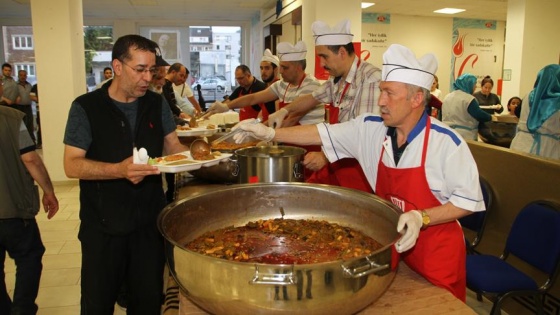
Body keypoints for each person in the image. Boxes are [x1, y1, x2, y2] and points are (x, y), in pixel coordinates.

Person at [232, 44, 486, 302]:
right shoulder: (371, 130)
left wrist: (423, 217)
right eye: (381, 92)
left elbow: (468, 202)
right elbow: (322, 132)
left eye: (389, 94)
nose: (380, 101)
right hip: (397, 251)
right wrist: (271, 133)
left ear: (416, 99)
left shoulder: (447, 143)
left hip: (437, 259)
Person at [63, 34, 188, 314]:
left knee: (146, 301)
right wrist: (118, 170)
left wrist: (203, 158)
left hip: (148, 224)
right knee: (98, 302)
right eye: (140, 69)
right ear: (118, 67)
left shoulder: (155, 105)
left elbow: (173, 147)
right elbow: (72, 165)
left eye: (152, 70)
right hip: (103, 226)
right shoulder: (86, 107)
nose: (148, 77)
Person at [266, 19, 382, 193]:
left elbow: (363, 134)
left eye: (324, 56)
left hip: (359, 171)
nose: (321, 64)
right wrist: (285, 110)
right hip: (339, 164)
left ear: (342, 52)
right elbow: (313, 97)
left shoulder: (369, 79)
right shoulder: (337, 79)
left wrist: (326, 156)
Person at [0, 105, 59, 314]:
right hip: (12, 210)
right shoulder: (13, 119)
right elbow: (30, 158)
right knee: (28, 258)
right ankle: (22, 309)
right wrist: (49, 190)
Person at [205, 41, 324, 126]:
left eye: (285, 68)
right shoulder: (283, 85)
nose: (281, 71)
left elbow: (292, 119)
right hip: (289, 142)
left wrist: (261, 130)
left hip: (309, 148)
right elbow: (254, 98)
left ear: (298, 67)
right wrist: (226, 106)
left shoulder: (311, 85)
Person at [510, 64, 560, 160]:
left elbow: (517, 111)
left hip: (520, 144)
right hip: (547, 149)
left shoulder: (528, 95)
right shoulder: (557, 101)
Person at [442, 73, 496, 141]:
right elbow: (478, 114)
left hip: (447, 133)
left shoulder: (447, 96)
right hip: (465, 135)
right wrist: (490, 117)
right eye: (474, 84)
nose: (475, 87)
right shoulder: (469, 99)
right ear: (468, 84)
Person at [15, 70, 35, 143]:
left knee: (29, 124)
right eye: (21, 75)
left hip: (28, 107)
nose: (23, 77)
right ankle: (23, 142)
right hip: (19, 107)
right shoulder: (15, 85)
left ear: (26, 76)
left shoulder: (29, 85)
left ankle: (32, 141)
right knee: (22, 125)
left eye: (24, 75)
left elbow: (32, 95)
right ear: (18, 76)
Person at [29, 84, 41, 149]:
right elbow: (31, 97)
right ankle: (39, 143)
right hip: (39, 110)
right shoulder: (35, 86)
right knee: (40, 127)